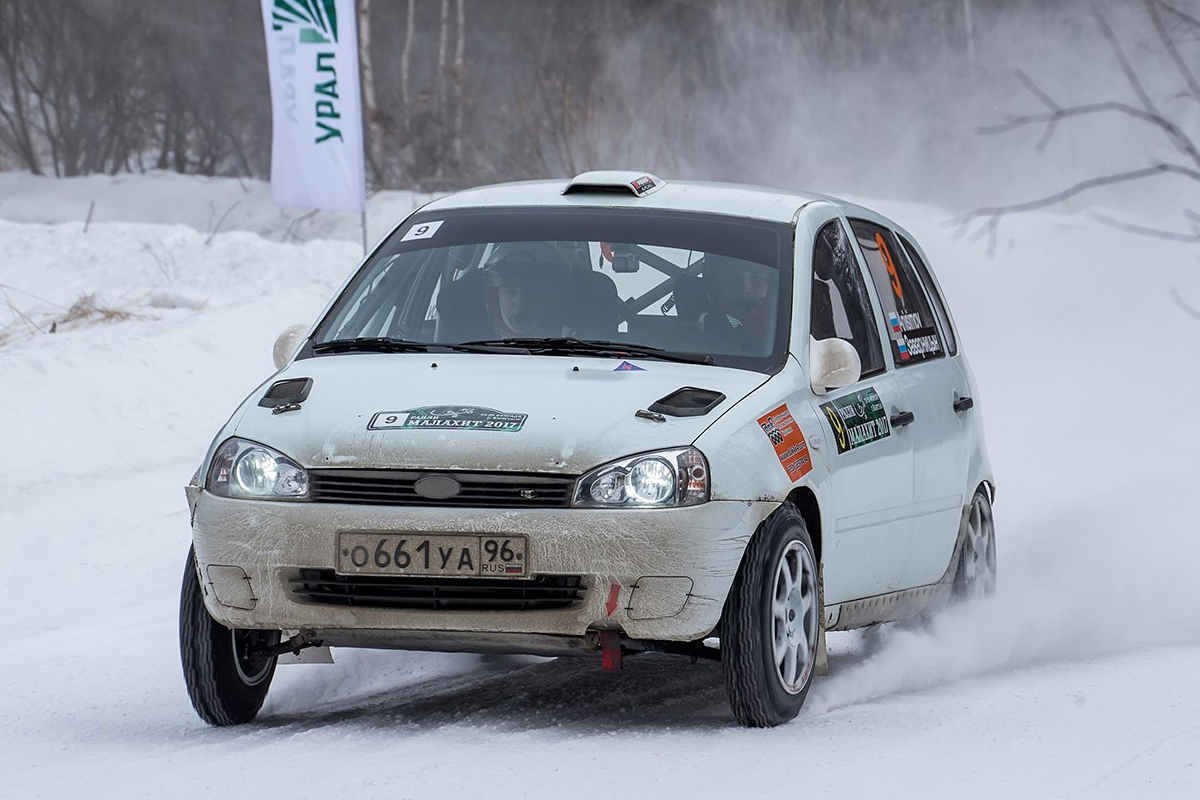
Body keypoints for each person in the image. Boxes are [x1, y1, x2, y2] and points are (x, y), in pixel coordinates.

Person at [484, 247, 569, 337]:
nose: (519, 302)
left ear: (551, 297)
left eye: (531, 291)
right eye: (511, 291)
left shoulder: (572, 342)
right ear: (495, 298)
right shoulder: (474, 341)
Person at [700, 253, 774, 350]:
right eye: (735, 280)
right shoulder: (697, 334)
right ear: (719, 287)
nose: (745, 290)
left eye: (757, 279)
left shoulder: (785, 335)